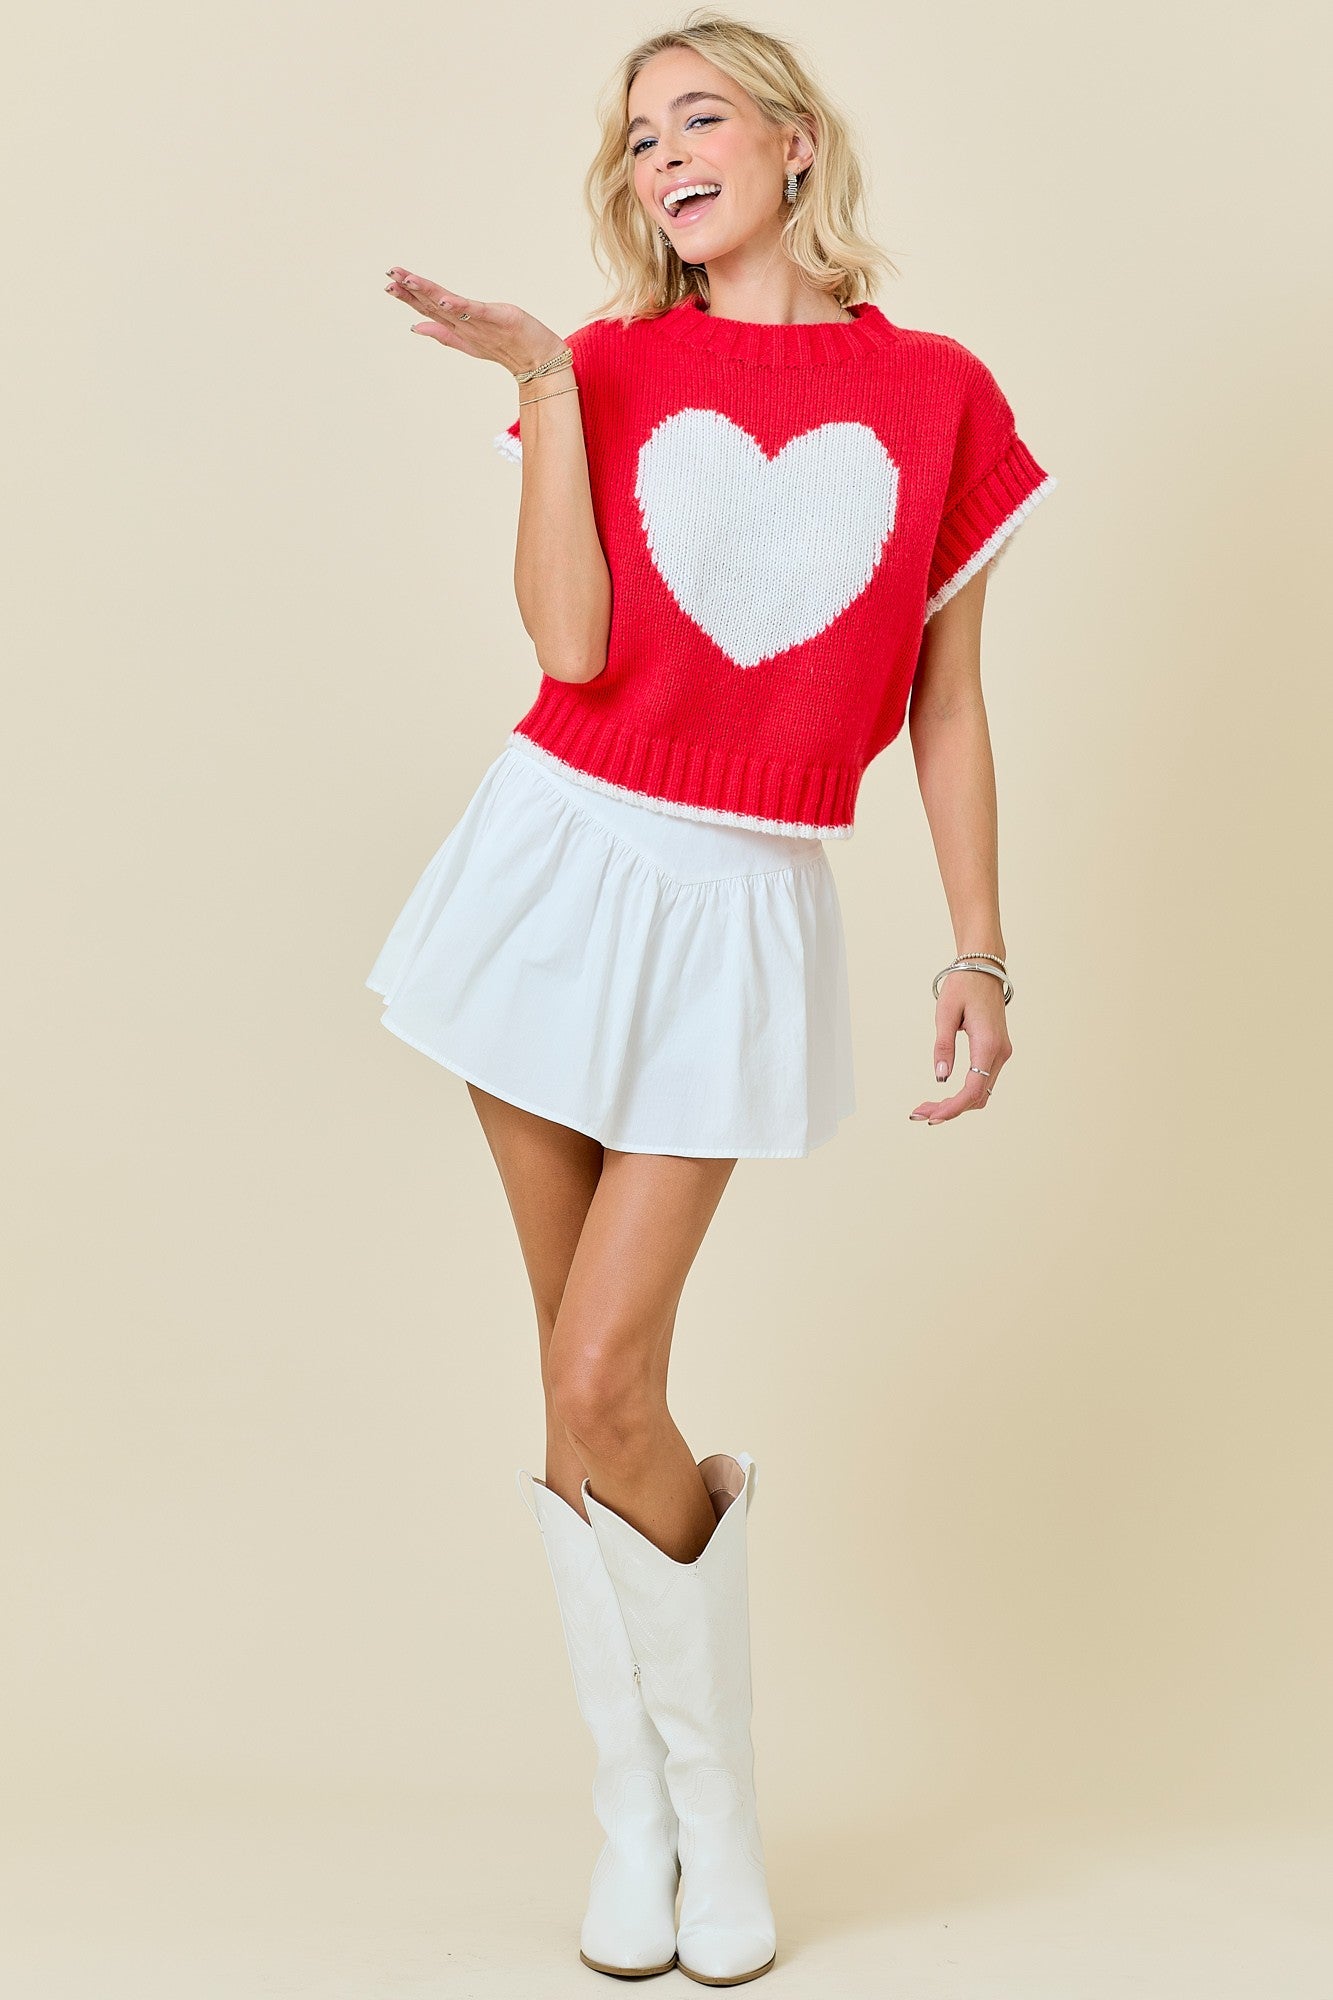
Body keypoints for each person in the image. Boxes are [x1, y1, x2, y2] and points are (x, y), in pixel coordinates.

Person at [366, 9, 1056, 1985]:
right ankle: (640, 1823)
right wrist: (542, 379)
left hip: (741, 896)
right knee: (567, 1379)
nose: (663, 156)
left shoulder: (935, 395)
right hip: (552, 859)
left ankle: (714, 1809)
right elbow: (571, 645)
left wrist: (977, 944)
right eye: (636, 137)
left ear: (792, 140)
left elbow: (942, 705)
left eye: (697, 118)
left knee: (610, 1377)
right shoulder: (603, 366)